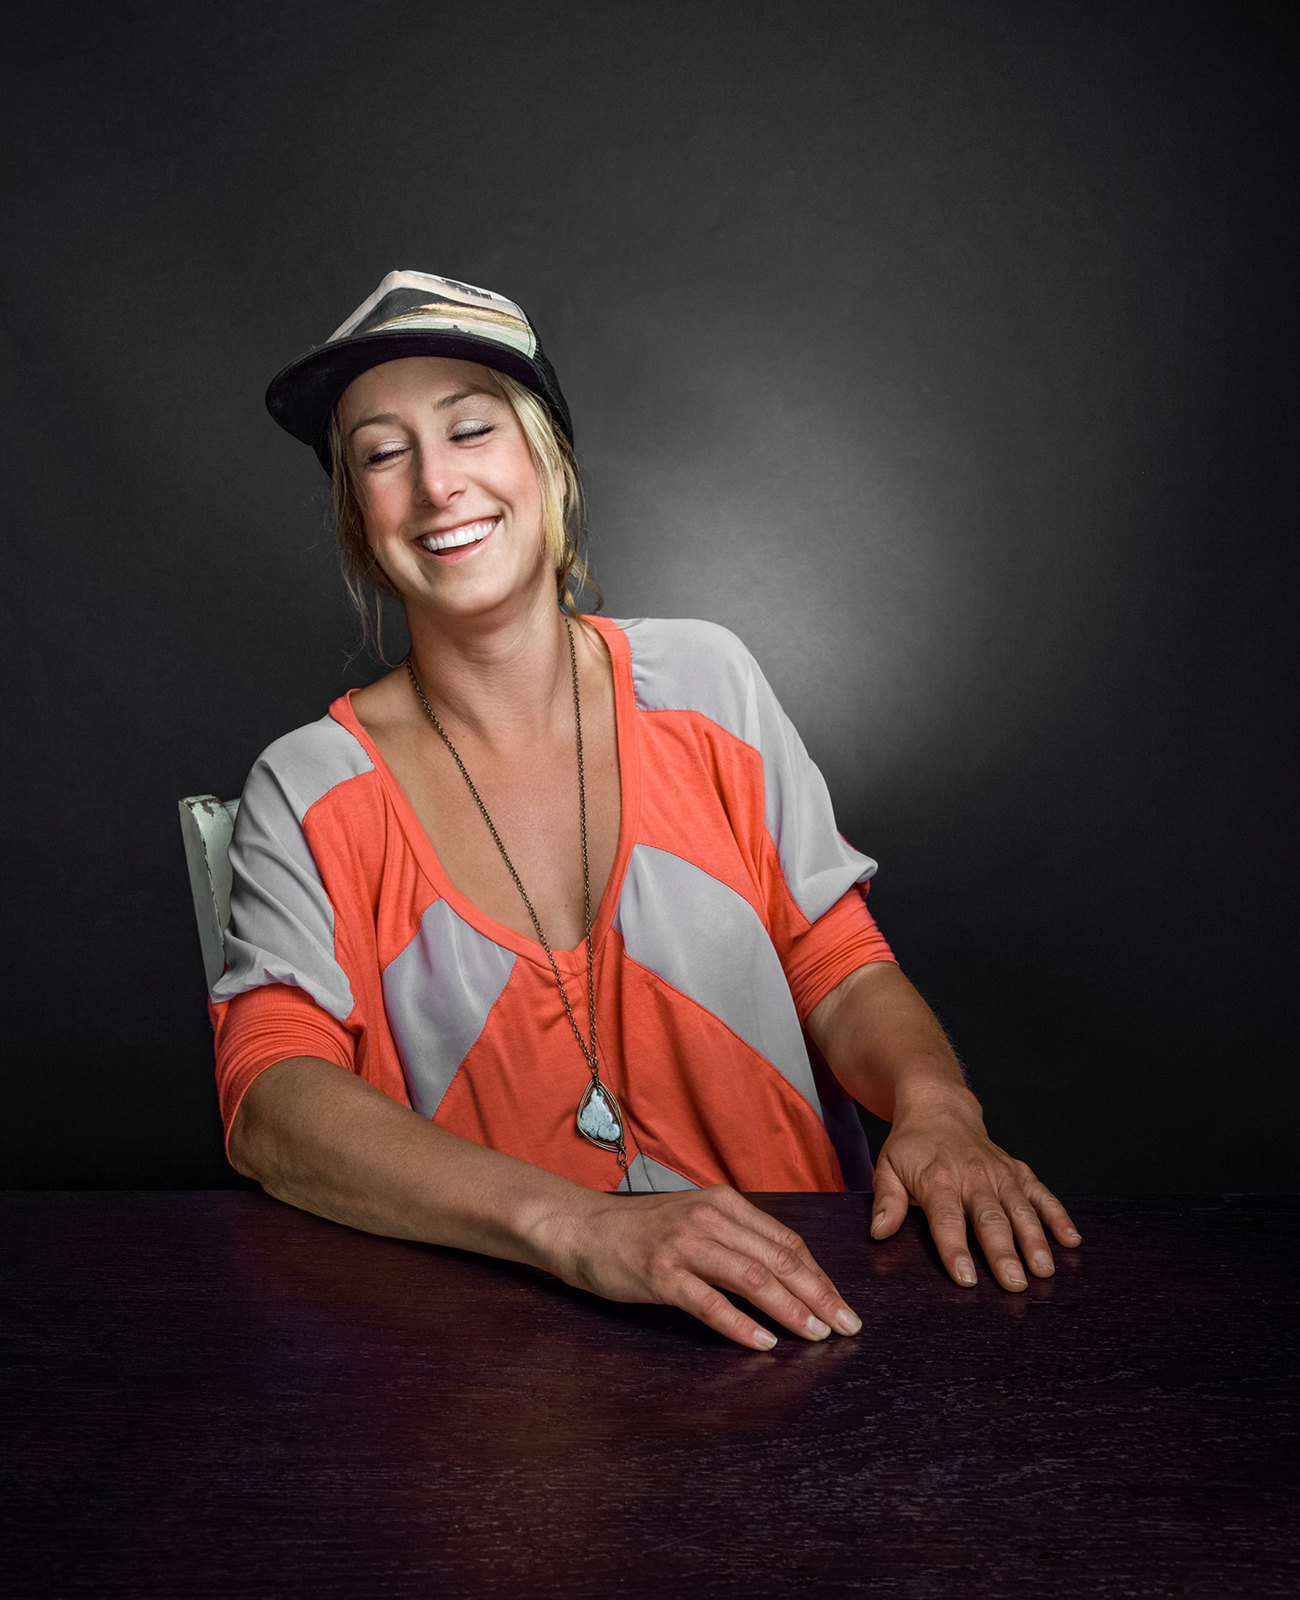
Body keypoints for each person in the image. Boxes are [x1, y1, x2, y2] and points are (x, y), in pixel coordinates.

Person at [212, 269, 1080, 1352]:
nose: (437, 485)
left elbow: (833, 955)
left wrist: (937, 1105)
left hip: (805, 1310)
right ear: (359, 516)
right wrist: (578, 1229)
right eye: (383, 455)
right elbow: (270, 1100)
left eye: (471, 429)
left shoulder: (707, 682)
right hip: (499, 1365)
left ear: (548, 460)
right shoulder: (310, 785)